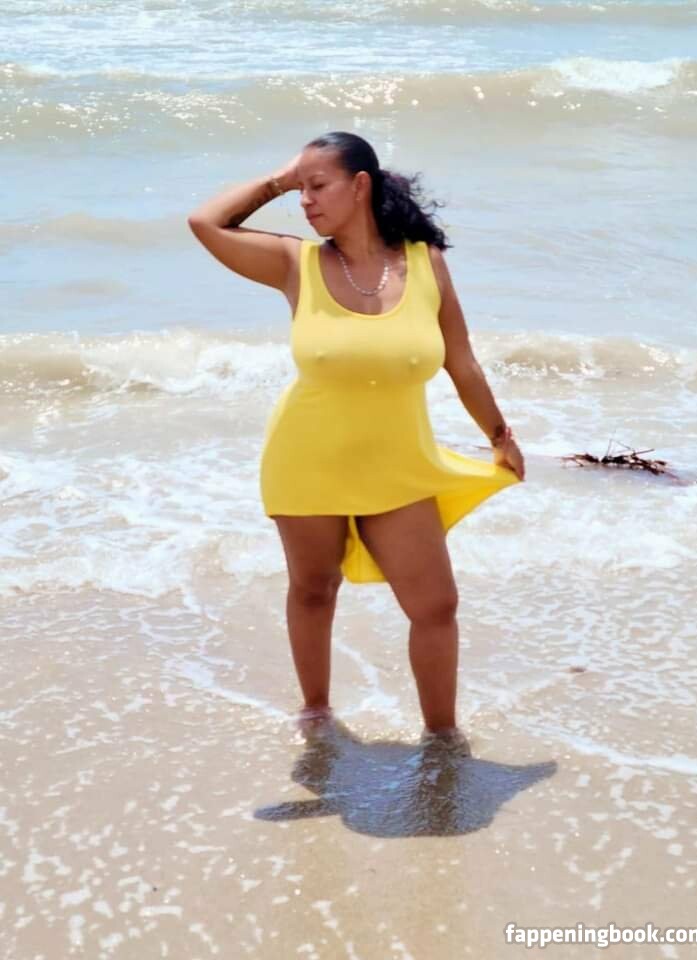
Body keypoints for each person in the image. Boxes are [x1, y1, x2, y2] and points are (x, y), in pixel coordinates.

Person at [187, 131, 525, 740]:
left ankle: (442, 738)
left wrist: (500, 434)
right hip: (308, 459)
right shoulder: (296, 263)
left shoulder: (425, 263)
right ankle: (317, 715)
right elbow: (205, 223)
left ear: (360, 185)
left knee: (436, 604)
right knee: (314, 590)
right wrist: (279, 179)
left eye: (318, 186)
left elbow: (462, 361)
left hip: (398, 463)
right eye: (301, 189)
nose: (305, 201)